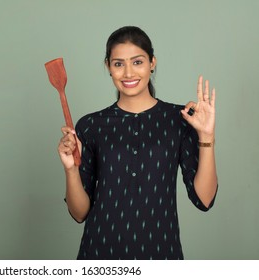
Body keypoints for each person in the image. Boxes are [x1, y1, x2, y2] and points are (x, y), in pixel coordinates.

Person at [57, 26, 218, 260]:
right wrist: (70, 169)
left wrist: (206, 137)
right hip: (100, 256)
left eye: (138, 62)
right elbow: (79, 212)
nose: (128, 73)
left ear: (152, 63)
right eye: (119, 64)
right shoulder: (91, 126)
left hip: (161, 254)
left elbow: (204, 199)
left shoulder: (180, 120)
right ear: (108, 67)